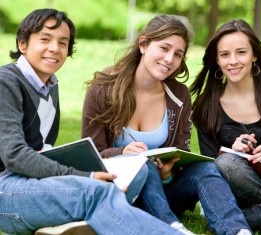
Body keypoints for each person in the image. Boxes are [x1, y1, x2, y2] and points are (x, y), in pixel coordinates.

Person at [0, 8, 193, 235]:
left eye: (63, 43)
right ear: (23, 44)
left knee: (136, 172)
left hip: (36, 183)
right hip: (7, 190)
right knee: (98, 191)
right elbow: (14, 155)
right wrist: (84, 177)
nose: (55, 48)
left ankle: (73, 225)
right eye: (45, 39)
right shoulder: (7, 82)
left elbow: (40, 150)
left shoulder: (49, 86)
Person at [82, 14, 252, 235]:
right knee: (142, 163)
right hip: (121, 190)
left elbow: (182, 154)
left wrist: (169, 172)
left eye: (178, 54)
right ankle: (171, 228)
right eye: (164, 48)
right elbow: (89, 156)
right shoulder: (103, 88)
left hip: (164, 191)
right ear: (143, 44)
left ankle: (238, 230)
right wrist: (123, 152)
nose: (170, 59)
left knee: (206, 168)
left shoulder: (179, 96)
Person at [190, 18, 261, 231]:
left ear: (254, 55)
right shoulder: (206, 106)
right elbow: (208, 169)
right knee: (226, 163)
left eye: (241, 52)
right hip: (234, 186)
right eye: (224, 55)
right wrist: (231, 153)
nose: (233, 61)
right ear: (217, 60)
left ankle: (237, 218)